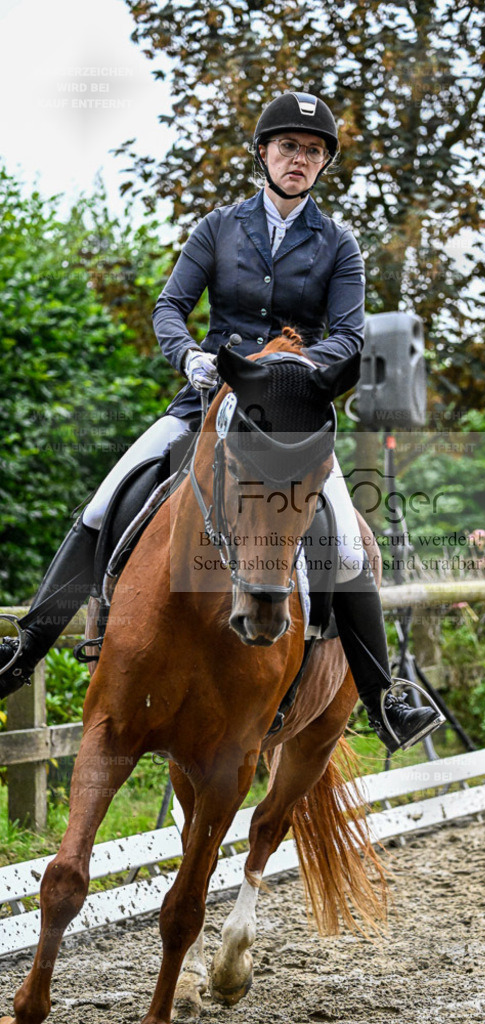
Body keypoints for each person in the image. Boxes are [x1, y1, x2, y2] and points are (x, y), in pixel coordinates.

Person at [0, 91, 443, 753]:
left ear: (322, 166)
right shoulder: (218, 229)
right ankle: (25, 650)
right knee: (103, 502)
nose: (301, 159)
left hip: (292, 417)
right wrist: (192, 358)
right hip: (206, 402)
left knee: (347, 546)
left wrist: (288, 369)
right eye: (289, 146)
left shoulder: (338, 245)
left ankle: (384, 702)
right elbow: (169, 308)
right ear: (264, 153)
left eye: (314, 151)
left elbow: (348, 334)